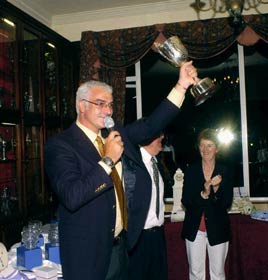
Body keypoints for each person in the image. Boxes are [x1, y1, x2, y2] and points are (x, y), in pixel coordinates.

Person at [44, 60, 197, 280]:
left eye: (110, 104)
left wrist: (181, 86)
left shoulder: (113, 134)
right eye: (100, 103)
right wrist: (108, 160)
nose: (108, 111)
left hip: (120, 248)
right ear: (81, 105)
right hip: (87, 256)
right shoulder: (61, 145)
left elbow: (151, 125)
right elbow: (72, 196)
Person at [181, 128, 234, 280]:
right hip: (194, 229)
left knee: (217, 273)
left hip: (218, 229)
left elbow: (226, 203)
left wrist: (216, 189)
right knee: (195, 273)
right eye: (202, 145)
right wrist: (204, 194)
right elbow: (186, 201)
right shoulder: (191, 170)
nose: (205, 149)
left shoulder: (225, 171)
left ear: (217, 149)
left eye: (209, 145)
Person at [128, 133, 168, 280]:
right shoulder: (132, 165)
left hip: (158, 236)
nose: (162, 138)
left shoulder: (157, 164)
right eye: (158, 135)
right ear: (146, 138)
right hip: (139, 238)